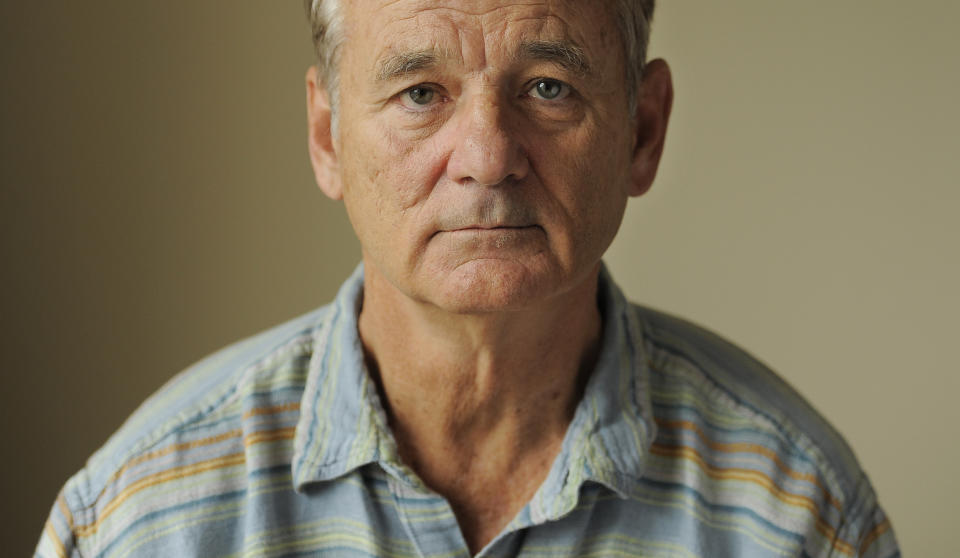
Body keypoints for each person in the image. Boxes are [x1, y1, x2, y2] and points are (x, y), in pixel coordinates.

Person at [36, 1, 899, 556]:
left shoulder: (799, 515)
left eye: (550, 87)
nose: (488, 157)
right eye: (419, 93)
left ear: (642, 130)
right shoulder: (140, 519)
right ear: (328, 137)